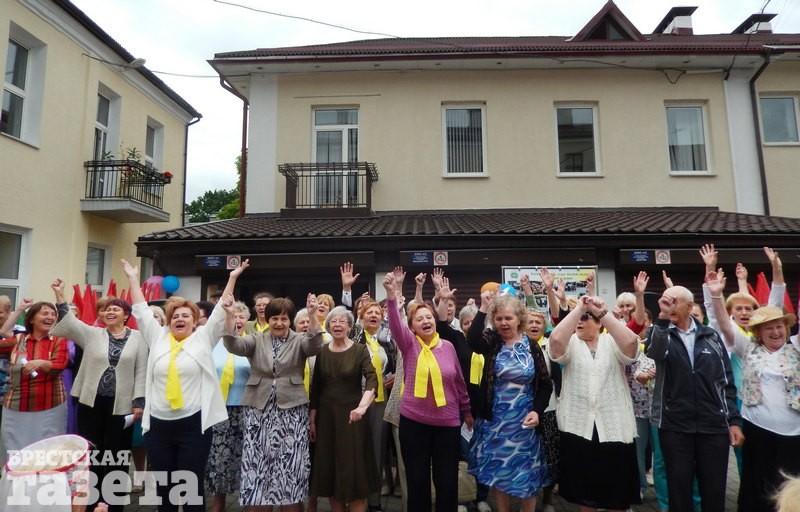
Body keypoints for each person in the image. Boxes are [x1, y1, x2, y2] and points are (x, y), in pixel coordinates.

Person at [122, 258, 248, 512]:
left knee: (190, 487)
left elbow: (220, 312)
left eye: (186, 316)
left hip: (193, 425)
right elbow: (141, 311)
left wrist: (232, 278)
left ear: (194, 321)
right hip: (158, 425)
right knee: (165, 488)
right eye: (175, 316)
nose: (180, 319)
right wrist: (133, 279)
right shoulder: (157, 337)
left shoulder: (203, 338)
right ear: (169, 321)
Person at [49, 279, 147, 512]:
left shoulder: (139, 338)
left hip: (121, 406)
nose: (110, 312)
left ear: (126, 315)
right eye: (107, 309)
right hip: (91, 403)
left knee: (117, 454)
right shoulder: (92, 334)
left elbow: (141, 371)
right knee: (92, 453)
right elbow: (69, 322)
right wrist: (60, 294)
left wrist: (139, 401)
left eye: (116, 309)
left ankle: (113, 503)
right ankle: (90, 503)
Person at [706, 270, 800, 512]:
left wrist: (778, 271)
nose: (775, 332)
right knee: (756, 489)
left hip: (794, 433)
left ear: (786, 328)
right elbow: (724, 324)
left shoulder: (796, 348)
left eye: (779, 327)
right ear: (758, 332)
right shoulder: (748, 348)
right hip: (757, 430)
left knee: (790, 490)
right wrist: (715, 296)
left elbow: (778, 298)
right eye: (768, 328)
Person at [648, 284, 744, 512]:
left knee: (713, 490)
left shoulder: (711, 336)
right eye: (665, 300)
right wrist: (662, 317)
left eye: (674, 301)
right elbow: (654, 352)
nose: (669, 304)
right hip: (675, 425)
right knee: (679, 489)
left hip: (713, 426)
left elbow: (726, 381)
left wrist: (733, 420)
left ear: (690, 306)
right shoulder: (662, 332)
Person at [223, 294, 322, 511]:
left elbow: (315, 345)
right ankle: (260, 501)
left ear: (290, 320)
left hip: (292, 410)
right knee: (258, 462)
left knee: (290, 463)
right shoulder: (256, 339)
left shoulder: (299, 340)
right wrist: (230, 316)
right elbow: (233, 344)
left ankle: (290, 499)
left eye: (284, 319)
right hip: (259, 408)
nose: (279, 323)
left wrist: (313, 315)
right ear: (267, 320)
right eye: (274, 318)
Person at [383, 272, 471, 512]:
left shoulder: (448, 347)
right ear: (412, 326)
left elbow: (459, 382)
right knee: (417, 481)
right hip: (414, 423)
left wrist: (467, 411)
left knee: (447, 482)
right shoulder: (409, 345)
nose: (425, 321)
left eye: (429, 317)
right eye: (419, 318)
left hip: (447, 424)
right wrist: (391, 296)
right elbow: (395, 325)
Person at [548, 295, 641, 512]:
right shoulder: (571, 343)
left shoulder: (611, 341)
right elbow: (555, 341)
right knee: (585, 496)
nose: (580, 321)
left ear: (599, 323)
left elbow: (631, 344)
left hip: (614, 427)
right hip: (579, 427)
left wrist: (602, 313)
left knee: (617, 496)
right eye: (579, 319)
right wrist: (579, 309)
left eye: (587, 318)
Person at [465, 286, 552, 512]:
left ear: (519, 319)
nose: (504, 323)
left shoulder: (531, 346)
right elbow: (472, 340)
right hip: (496, 423)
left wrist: (537, 411)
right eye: (499, 318)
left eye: (508, 318)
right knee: (500, 473)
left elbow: (545, 384)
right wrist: (484, 308)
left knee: (527, 475)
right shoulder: (492, 342)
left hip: (525, 423)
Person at [310, 306, 378, 512]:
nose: (337, 325)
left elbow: (372, 379)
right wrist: (312, 420)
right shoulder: (322, 352)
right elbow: (316, 388)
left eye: (342, 321)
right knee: (331, 472)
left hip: (352, 418)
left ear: (350, 327)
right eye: (333, 321)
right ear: (328, 326)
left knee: (354, 470)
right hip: (326, 419)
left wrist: (362, 407)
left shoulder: (359, 350)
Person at [0, 299, 68, 456]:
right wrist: (19, 309)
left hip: (51, 405)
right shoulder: (18, 340)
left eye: (53, 314)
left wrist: (41, 363)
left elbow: (59, 365)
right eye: (45, 313)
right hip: (16, 405)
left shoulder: (58, 340)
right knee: (15, 450)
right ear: (31, 319)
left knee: (47, 450)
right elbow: (3, 332)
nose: (50, 317)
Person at [205, 301, 251, 512]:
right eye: (232, 316)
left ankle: (248, 503)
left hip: (247, 409)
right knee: (219, 459)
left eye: (241, 316)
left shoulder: (252, 344)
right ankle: (218, 504)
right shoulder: (213, 344)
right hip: (218, 409)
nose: (237, 320)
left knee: (246, 458)